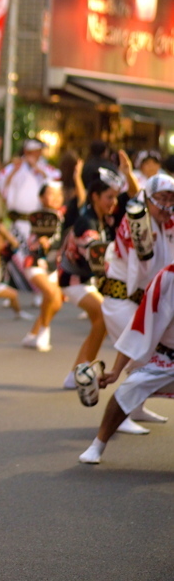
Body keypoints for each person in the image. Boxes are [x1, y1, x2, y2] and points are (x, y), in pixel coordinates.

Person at [87, 172, 174, 429]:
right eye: (161, 198)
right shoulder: (136, 220)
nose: (166, 204)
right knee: (140, 353)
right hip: (122, 298)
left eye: (171, 198)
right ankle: (122, 412)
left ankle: (134, 408)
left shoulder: (168, 222)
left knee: (146, 355)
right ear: (148, 197)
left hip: (146, 302)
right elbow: (144, 268)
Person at [78, 265, 174, 465]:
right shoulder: (168, 278)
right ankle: (98, 444)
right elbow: (139, 325)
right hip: (166, 359)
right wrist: (115, 371)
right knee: (130, 388)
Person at [58, 172, 120, 373]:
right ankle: (80, 371)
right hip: (73, 280)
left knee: (102, 321)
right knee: (102, 316)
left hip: (88, 280)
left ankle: (79, 369)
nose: (114, 202)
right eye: (109, 197)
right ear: (95, 196)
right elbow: (98, 258)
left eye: (115, 197)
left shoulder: (105, 220)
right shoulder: (87, 223)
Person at [15, 180, 67, 352]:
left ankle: (32, 335)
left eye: (58, 194)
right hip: (35, 262)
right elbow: (36, 237)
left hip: (53, 265)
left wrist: (76, 179)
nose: (55, 198)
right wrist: (42, 240)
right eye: (51, 194)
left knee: (55, 302)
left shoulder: (64, 214)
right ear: (42, 197)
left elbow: (81, 201)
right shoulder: (38, 215)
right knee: (51, 294)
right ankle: (44, 334)